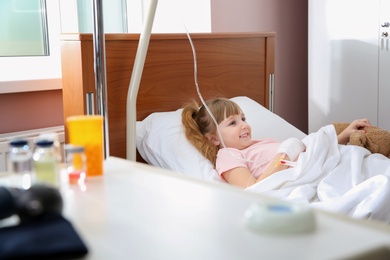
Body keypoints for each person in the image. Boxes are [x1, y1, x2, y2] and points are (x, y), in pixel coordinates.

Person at [182, 98, 371, 188]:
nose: (244, 125)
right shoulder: (227, 155)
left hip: (318, 164)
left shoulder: (264, 142)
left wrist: (343, 136)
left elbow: (306, 153)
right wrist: (284, 155)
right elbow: (254, 189)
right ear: (214, 138)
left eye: (243, 118)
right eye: (232, 122)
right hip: (308, 178)